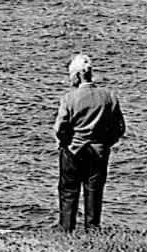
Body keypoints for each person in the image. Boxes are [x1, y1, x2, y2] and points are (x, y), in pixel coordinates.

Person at [53, 52, 126, 232]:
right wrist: (107, 142)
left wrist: (66, 142)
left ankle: (66, 230)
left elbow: (60, 128)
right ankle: (92, 230)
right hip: (98, 150)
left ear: (77, 75)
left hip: (74, 149)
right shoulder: (109, 97)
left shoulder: (69, 98)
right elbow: (120, 127)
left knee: (69, 191)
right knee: (94, 191)